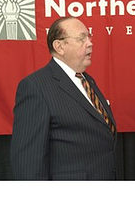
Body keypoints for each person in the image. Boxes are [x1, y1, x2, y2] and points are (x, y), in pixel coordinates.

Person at [10, 16, 117, 180]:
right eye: (81, 39)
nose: (90, 43)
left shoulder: (88, 81)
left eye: (89, 37)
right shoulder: (35, 87)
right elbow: (27, 162)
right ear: (59, 46)